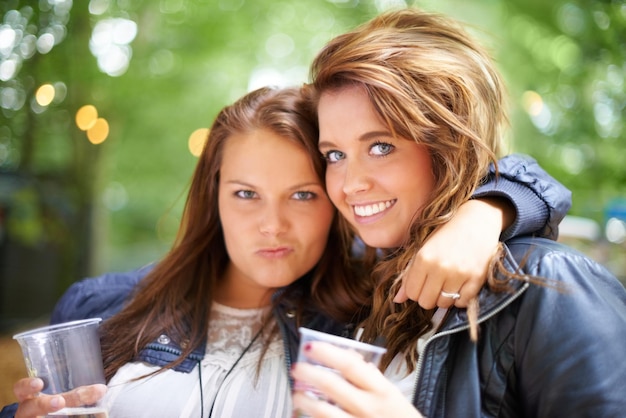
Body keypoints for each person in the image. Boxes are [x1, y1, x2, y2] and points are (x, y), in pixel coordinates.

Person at [3, 82, 569, 418]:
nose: (272, 225)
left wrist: (485, 213)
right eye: (246, 194)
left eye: (302, 194)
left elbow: (528, 179)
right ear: (214, 197)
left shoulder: (373, 318)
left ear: (336, 200)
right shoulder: (99, 306)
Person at [291, 7, 626, 418]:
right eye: (336, 154)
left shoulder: (548, 282)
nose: (350, 183)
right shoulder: (359, 292)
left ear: (450, 148)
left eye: (381, 146)